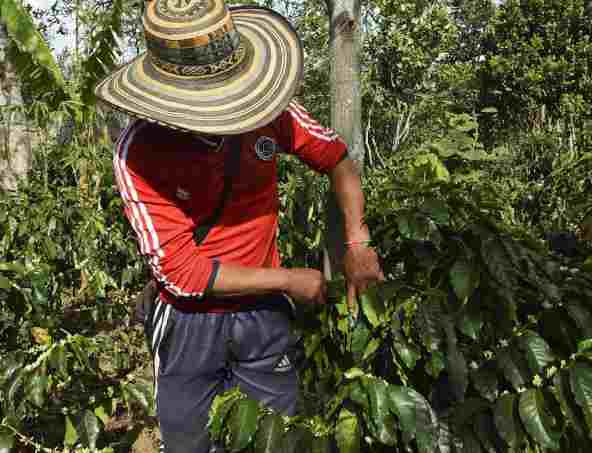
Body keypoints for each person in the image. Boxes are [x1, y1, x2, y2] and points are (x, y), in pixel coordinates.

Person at [94, 0, 384, 452]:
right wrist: (290, 279)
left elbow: (338, 159)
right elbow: (183, 273)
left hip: (262, 316)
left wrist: (357, 240)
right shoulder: (141, 153)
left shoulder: (270, 112)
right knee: (187, 440)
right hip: (190, 322)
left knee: (275, 437)